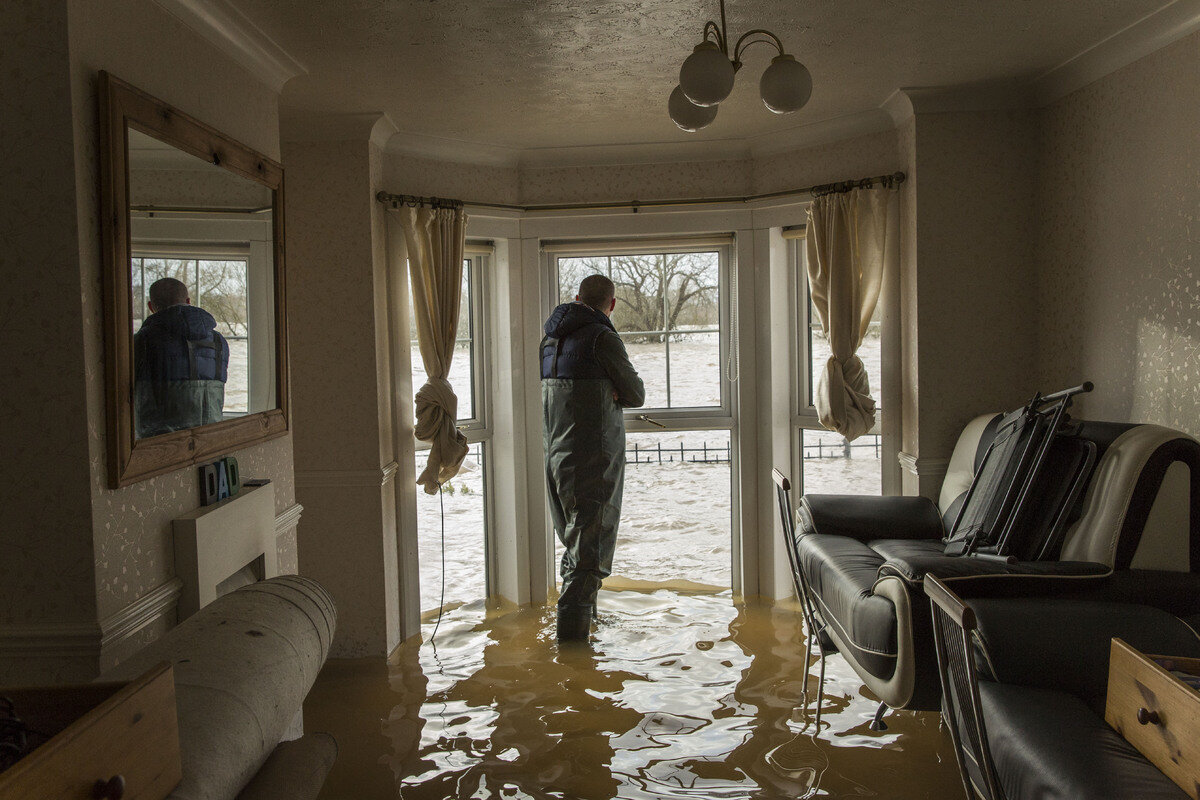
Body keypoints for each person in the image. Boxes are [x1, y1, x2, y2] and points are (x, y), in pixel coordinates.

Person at [540, 274, 645, 641]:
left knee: (576, 548)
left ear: (576, 297)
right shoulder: (603, 338)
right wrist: (614, 388)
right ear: (611, 304)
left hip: (556, 459)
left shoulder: (551, 339)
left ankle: (589, 629)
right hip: (592, 462)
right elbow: (635, 393)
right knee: (588, 559)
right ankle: (573, 660)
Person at [133, 276, 230, 438]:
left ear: (151, 306)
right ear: (188, 301)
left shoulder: (143, 341)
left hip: (159, 448)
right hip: (212, 442)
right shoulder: (219, 341)